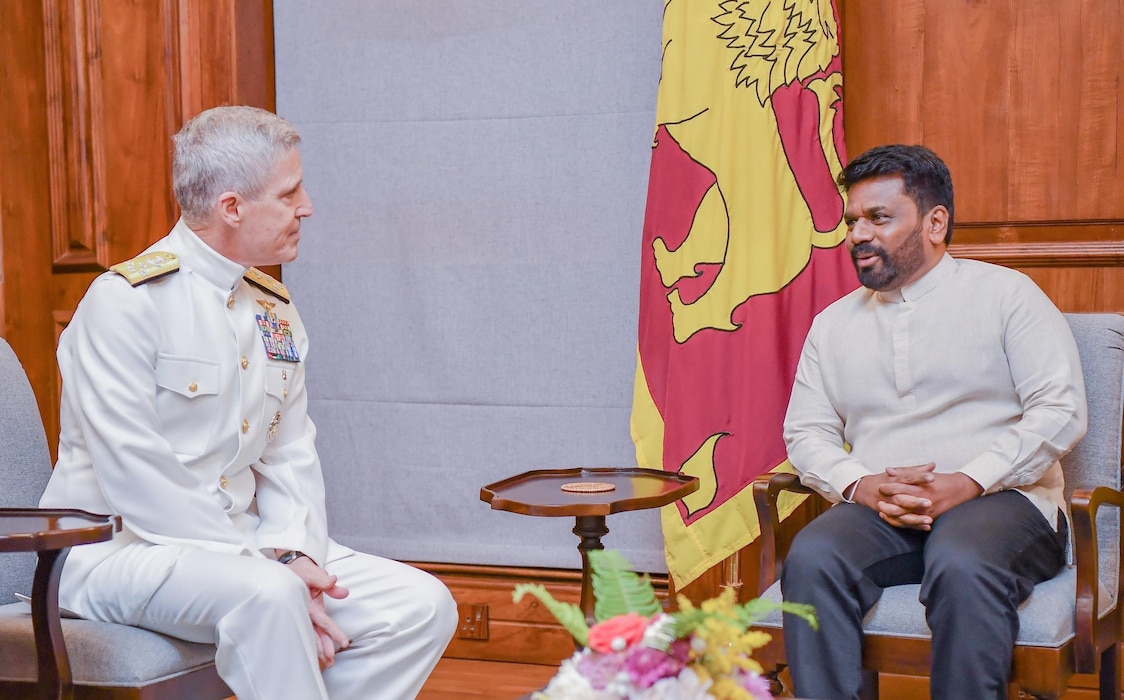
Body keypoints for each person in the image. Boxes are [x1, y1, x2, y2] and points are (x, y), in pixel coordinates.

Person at [39, 105, 458, 700]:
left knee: (419, 606)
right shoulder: (125, 304)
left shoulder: (273, 309)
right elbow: (139, 478)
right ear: (231, 207)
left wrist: (293, 551)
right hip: (115, 553)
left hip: (245, 547)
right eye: (289, 194)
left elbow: (292, 454)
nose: (306, 206)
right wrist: (270, 567)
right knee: (270, 594)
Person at [780, 144, 1086, 700]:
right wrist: (861, 485)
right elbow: (807, 431)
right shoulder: (832, 325)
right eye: (852, 221)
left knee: (962, 559)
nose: (857, 235)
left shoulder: (1007, 296)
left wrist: (967, 480)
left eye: (878, 217)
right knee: (813, 557)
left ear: (935, 221)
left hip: (1004, 501)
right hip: (883, 506)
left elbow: (1060, 410)